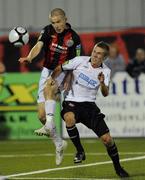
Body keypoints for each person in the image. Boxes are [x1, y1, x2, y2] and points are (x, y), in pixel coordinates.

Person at [47, 41, 129, 178]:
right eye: (94, 52)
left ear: (104, 58)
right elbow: (60, 67)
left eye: (99, 54)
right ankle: (80, 151)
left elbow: (105, 93)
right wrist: (51, 78)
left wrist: (102, 83)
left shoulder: (106, 71)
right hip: (72, 101)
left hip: (90, 106)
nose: (95, 55)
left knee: (107, 140)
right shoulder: (79, 61)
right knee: (69, 118)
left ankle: (118, 167)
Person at [19, 8, 82, 165]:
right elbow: (38, 46)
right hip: (46, 70)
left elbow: (78, 61)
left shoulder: (74, 38)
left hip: (63, 71)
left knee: (50, 86)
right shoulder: (47, 31)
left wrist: (69, 76)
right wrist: (29, 57)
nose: (56, 25)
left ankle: (75, 145)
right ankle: (59, 143)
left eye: (58, 22)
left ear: (65, 19)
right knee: (41, 116)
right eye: (53, 23)